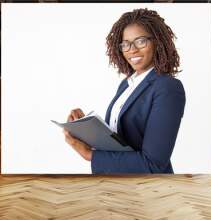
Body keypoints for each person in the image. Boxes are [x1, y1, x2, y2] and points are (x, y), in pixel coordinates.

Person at [63, 8, 186, 174]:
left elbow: (154, 163)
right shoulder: (126, 84)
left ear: (157, 42)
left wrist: (89, 154)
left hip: (147, 190)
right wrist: (86, 128)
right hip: (116, 181)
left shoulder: (167, 87)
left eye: (140, 41)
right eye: (126, 44)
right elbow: (118, 139)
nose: (132, 50)